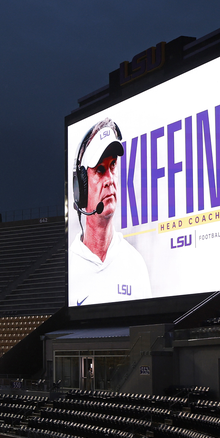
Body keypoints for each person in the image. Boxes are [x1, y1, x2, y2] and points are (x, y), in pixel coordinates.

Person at [70, 118, 151, 306]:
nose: (110, 179)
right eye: (100, 169)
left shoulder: (135, 263)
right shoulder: (69, 267)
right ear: (80, 188)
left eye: (112, 165)